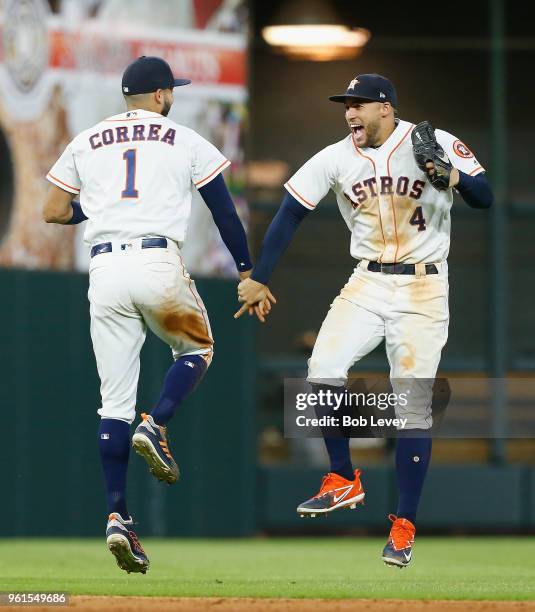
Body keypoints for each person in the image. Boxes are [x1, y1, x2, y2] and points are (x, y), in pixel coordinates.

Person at [236, 74, 493, 568]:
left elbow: (486, 196)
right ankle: (342, 477)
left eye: (359, 104)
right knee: (321, 370)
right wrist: (260, 276)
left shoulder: (431, 142)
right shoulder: (336, 157)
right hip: (368, 280)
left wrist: (451, 177)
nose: (350, 113)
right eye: (346, 105)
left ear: (386, 108)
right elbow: (289, 212)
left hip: (424, 284)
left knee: (412, 405)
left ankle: (403, 525)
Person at [43, 55, 269, 574]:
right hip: (155, 262)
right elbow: (222, 208)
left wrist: (99, 208)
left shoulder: (87, 138)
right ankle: (158, 422)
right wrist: (246, 271)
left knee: (112, 405)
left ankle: (118, 516)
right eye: (173, 91)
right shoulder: (182, 137)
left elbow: (52, 211)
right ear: (162, 95)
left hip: (104, 273)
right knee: (198, 348)